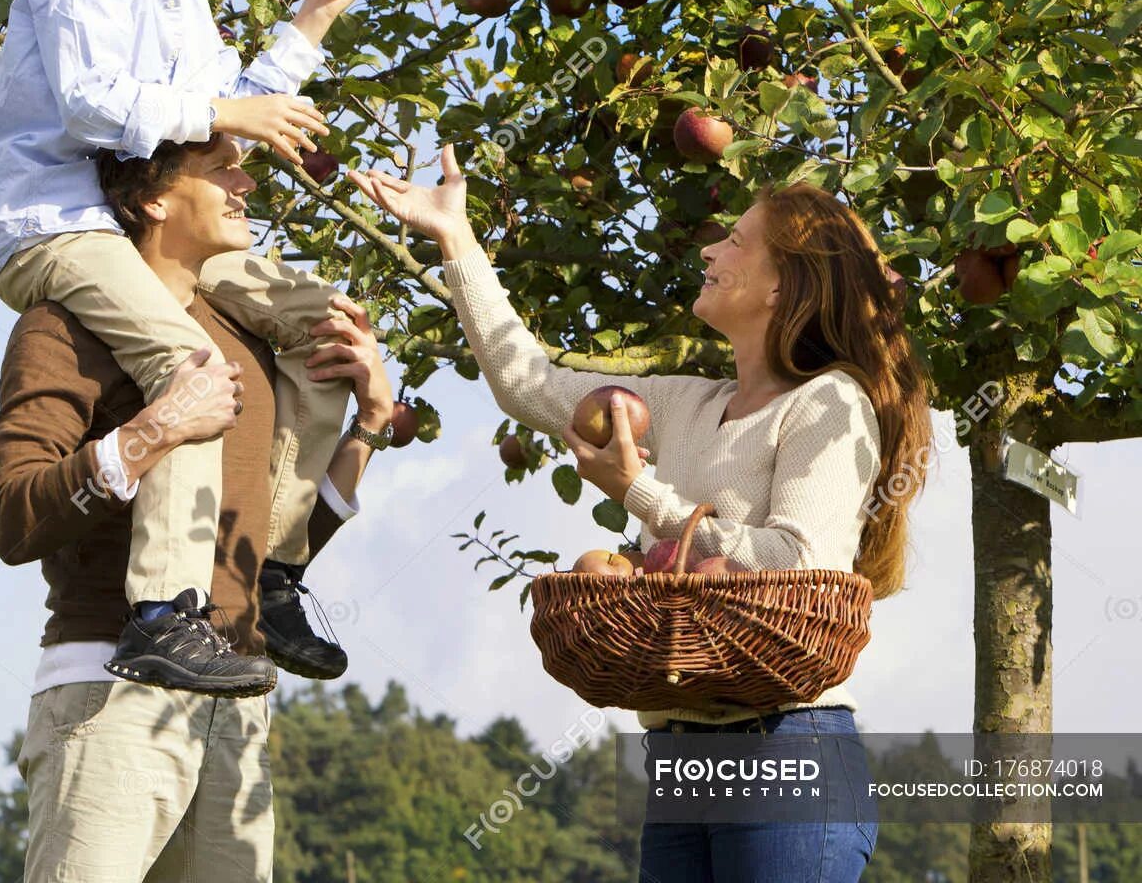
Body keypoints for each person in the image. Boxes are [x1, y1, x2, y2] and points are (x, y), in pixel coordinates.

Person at [351, 146, 935, 882]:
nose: (710, 250)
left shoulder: (828, 402)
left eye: (736, 241)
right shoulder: (683, 402)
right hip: (681, 758)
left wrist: (639, 491)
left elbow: (801, 565)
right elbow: (527, 383)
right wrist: (455, 237)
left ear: (782, 286)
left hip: (789, 749)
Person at [0, 0, 381, 695]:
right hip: (58, 220)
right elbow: (90, 103)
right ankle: (163, 611)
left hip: (135, 219)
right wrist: (223, 111)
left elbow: (223, 115)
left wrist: (317, 9)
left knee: (324, 333)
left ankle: (272, 566)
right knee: (190, 369)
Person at [0, 132, 395, 881]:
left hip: (235, 699)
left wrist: (369, 423)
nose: (247, 185)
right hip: (109, 692)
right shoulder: (63, 325)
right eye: (222, 170)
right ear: (153, 198)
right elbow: (14, 521)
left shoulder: (250, 341)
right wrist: (156, 431)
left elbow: (260, 543)